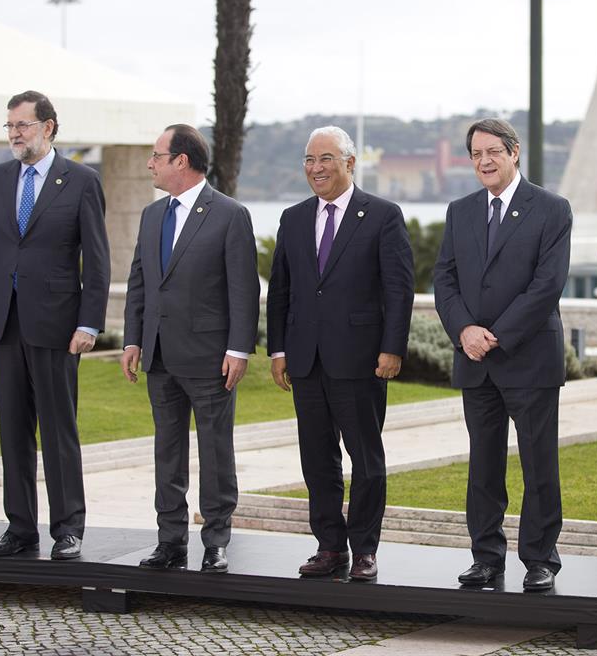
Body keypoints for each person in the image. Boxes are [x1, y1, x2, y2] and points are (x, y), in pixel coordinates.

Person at [0, 90, 111, 561]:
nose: (14, 134)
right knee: (12, 432)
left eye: (22, 126)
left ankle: (69, 528)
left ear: (48, 127)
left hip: (56, 326)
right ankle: (19, 528)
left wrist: (90, 322)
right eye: (9, 126)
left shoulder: (82, 180)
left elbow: (98, 259)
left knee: (58, 431)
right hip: (4, 324)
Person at [267, 126, 414, 582]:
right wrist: (277, 349)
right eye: (309, 160)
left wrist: (392, 348)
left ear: (350, 163)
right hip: (305, 360)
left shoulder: (383, 215)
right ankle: (329, 546)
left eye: (325, 159)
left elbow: (399, 288)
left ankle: (365, 549)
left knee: (366, 459)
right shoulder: (292, 218)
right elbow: (281, 291)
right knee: (317, 458)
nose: (316, 169)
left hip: (362, 359)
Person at [433, 118, 571, 592]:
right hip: (474, 361)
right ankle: (486, 557)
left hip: (528, 359)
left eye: (493, 151)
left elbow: (547, 285)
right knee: (482, 466)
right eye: (475, 154)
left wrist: (495, 334)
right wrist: (465, 331)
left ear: (515, 153)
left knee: (539, 465)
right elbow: (445, 281)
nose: (484, 162)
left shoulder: (552, 209)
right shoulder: (460, 211)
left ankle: (540, 558)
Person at [121, 124, 260, 574]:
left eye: (157, 155)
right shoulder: (151, 215)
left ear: (182, 160)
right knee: (167, 451)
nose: (150, 163)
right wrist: (133, 339)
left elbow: (244, 289)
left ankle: (216, 540)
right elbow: (140, 282)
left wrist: (239, 349)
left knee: (216, 451)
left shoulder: (229, 214)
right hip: (160, 357)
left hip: (210, 357)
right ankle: (170, 541)